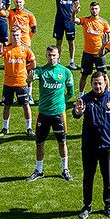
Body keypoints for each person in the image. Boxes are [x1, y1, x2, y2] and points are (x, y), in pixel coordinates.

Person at [76, 71, 110, 219]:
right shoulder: (85, 99)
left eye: (100, 83)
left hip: (107, 146)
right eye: (95, 84)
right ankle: (87, 205)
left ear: (105, 83)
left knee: (108, 178)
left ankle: (108, 206)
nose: (97, 86)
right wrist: (78, 112)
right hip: (89, 146)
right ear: (91, 84)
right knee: (88, 177)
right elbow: (77, 113)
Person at [28, 45, 75, 182]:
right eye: (49, 55)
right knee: (39, 143)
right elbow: (29, 79)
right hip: (43, 113)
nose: (52, 57)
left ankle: (65, 170)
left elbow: (70, 92)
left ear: (58, 55)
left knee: (62, 142)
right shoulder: (41, 71)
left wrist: (62, 103)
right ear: (46, 56)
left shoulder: (65, 72)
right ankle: (39, 170)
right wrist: (30, 79)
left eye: (54, 55)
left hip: (58, 114)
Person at [0, 27, 36, 137]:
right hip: (8, 83)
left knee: (25, 105)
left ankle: (29, 128)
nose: (15, 37)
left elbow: (33, 63)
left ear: (21, 36)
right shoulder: (6, 49)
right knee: (6, 106)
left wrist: (26, 70)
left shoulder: (26, 49)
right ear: (11, 36)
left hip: (22, 83)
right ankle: (5, 128)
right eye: (13, 35)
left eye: (17, 35)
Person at [75, 2, 110, 86]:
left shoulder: (104, 22)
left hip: (99, 53)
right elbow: (74, 20)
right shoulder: (85, 20)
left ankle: (107, 94)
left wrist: (104, 48)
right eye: (92, 9)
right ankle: (81, 95)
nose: (94, 11)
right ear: (90, 10)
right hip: (87, 53)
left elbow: (108, 38)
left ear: (99, 10)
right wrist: (74, 12)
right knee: (84, 75)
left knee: (104, 76)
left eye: (96, 9)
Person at [49, 0, 81, 70]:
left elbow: (78, 8)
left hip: (70, 22)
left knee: (71, 42)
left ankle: (71, 61)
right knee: (58, 41)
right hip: (59, 21)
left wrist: (76, 10)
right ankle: (57, 60)